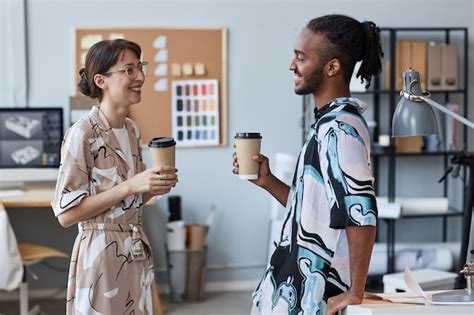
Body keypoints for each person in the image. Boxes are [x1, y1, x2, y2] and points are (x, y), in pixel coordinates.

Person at [233, 14, 383, 314]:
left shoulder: (340, 129)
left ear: (332, 67)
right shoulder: (327, 124)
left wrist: (355, 292)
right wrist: (269, 181)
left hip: (313, 296)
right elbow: (314, 213)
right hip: (293, 287)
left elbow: (361, 213)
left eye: (301, 58)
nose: (292, 65)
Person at [52, 39, 178, 314]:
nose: (140, 77)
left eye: (141, 67)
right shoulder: (82, 134)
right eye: (129, 70)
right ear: (101, 80)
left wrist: (151, 188)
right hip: (99, 258)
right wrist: (131, 185)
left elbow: (127, 202)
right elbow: (66, 214)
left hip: (135, 250)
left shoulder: (132, 131)